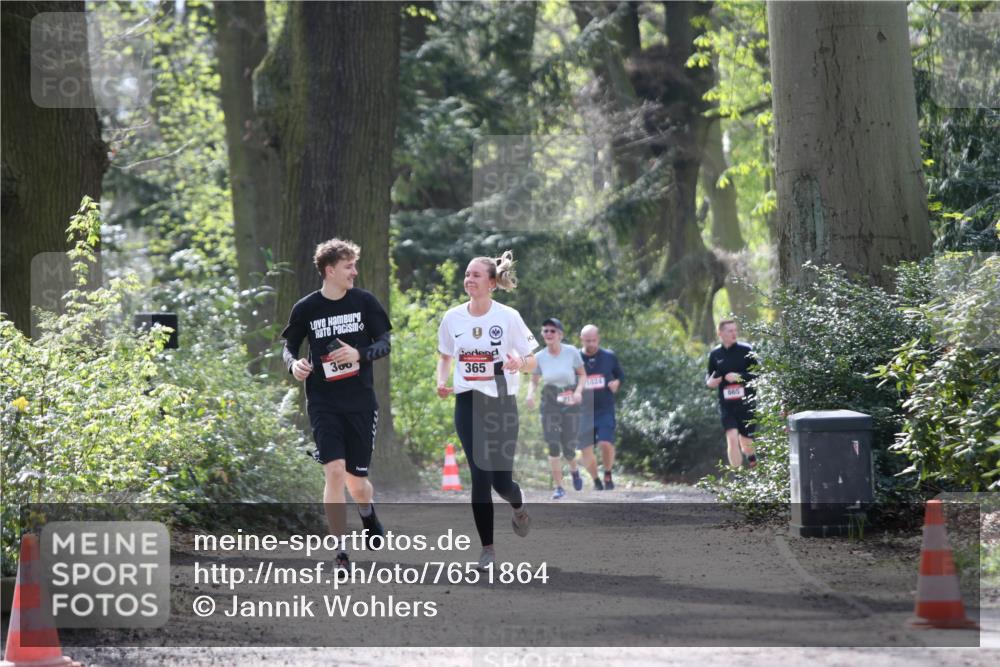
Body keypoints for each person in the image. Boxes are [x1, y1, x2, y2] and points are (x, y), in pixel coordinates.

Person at [281, 238, 392, 569]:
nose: (354, 273)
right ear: (330, 271)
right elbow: (288, 345)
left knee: (357, 484)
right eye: (349, 267)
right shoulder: (306, 308)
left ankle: (367, 510)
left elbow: (385, 342)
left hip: (359, 402)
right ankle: (341, 550)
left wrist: (360, 353)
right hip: (323, 402)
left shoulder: (364, 302)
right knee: (333, 472)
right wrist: (293, 364)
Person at [436, 251, 537, 570]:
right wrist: (441, 381)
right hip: (467, 401)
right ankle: (488, 549)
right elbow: (445, 356)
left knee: (501, 483)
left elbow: (534, 361)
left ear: (492, 283)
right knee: (480, 475)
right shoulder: (452, 317)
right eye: (467, 274)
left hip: (502, 401)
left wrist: (517, 362)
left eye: (476, 275)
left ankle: (518, 506)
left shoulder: (508, 316)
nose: (469, 279)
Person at [525, 317, 586, 499]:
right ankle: (559, 487)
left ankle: (574, 470)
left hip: (569, 398)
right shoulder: (539, 357)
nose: (549, 334)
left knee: (568, 447)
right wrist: (530, 394)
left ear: (560, 334)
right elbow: (534, 381)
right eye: (545, 331)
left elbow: (582, 375)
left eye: (553, 331)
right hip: (550, 399)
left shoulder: (572, 352)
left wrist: (578, 392)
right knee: (553, 444)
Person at [705, 319, 758, 468]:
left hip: (747, 403)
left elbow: (758, 374)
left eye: (735, 330)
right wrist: (709, 382)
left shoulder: (746, 350)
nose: (734, 333)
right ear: (720, 333)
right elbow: (709, 376)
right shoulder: (715, 354)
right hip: (727, 405)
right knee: (732, 438)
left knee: (746, 443)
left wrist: (739, 376)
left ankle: (753, 462)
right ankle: (738, 476)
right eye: (730, 331)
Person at [578, 325, 624, 490]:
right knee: (586, 450)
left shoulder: (609, 356)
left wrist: (616, 383)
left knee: (605, 443)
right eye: (587, 340)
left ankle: (608, 473)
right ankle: (596, 480)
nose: (591, 344)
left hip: (604, 408)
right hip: (583, 411)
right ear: (581, 339)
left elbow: (620, 375)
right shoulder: (575, 358)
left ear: (598, 339)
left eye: (593, 340)